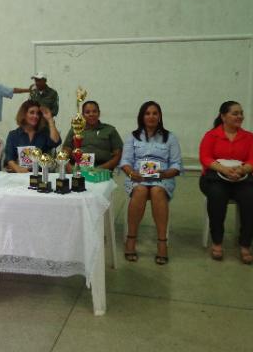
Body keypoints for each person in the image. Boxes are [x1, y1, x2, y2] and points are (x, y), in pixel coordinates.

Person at [119, 101, 182, 265]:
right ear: (142, 116)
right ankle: (131, 239)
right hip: (137, 178)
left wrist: (165, 173)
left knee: (156, 191)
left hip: (162, 178)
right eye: (147, 113)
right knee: (140, 191)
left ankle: (162, 242)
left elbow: (176, 165)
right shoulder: (132, 136)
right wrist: (132, 173)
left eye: (155, 113)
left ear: (160, 116)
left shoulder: (170, 137)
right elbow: (125, 161)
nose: (151, 116)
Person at [199, 101, 253, 264]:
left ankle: (245, 244)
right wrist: (223, 169)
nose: (240, 116)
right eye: (235, 113)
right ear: (223, 116)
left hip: (241, 178)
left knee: (251, 198)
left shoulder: (249, 137)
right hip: (215, 177)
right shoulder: (211, 135)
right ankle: (217, 241)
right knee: (217, 196)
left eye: (241, 113)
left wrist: (242, 170)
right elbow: (205, 157)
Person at [62, 100, 122, 171]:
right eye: (87, 112)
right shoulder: (75, 130)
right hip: (78, 170)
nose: (91, 114)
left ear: (99, 113)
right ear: (83, 115)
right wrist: (70, 168)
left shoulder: (110, 130)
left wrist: (100, 169)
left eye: (94, 111)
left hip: (102, 171)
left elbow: (118, 155)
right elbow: (65, 151)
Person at [4, 100, 61, 173]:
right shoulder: (13, 135)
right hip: (20, 174)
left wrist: (50, 119)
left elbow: (55, 142)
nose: (35, 116)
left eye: (38, 114)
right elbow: (9, 158)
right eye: (32, 112)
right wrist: (17, 168)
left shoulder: (44, 133)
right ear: (24, 114)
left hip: (41, 174)